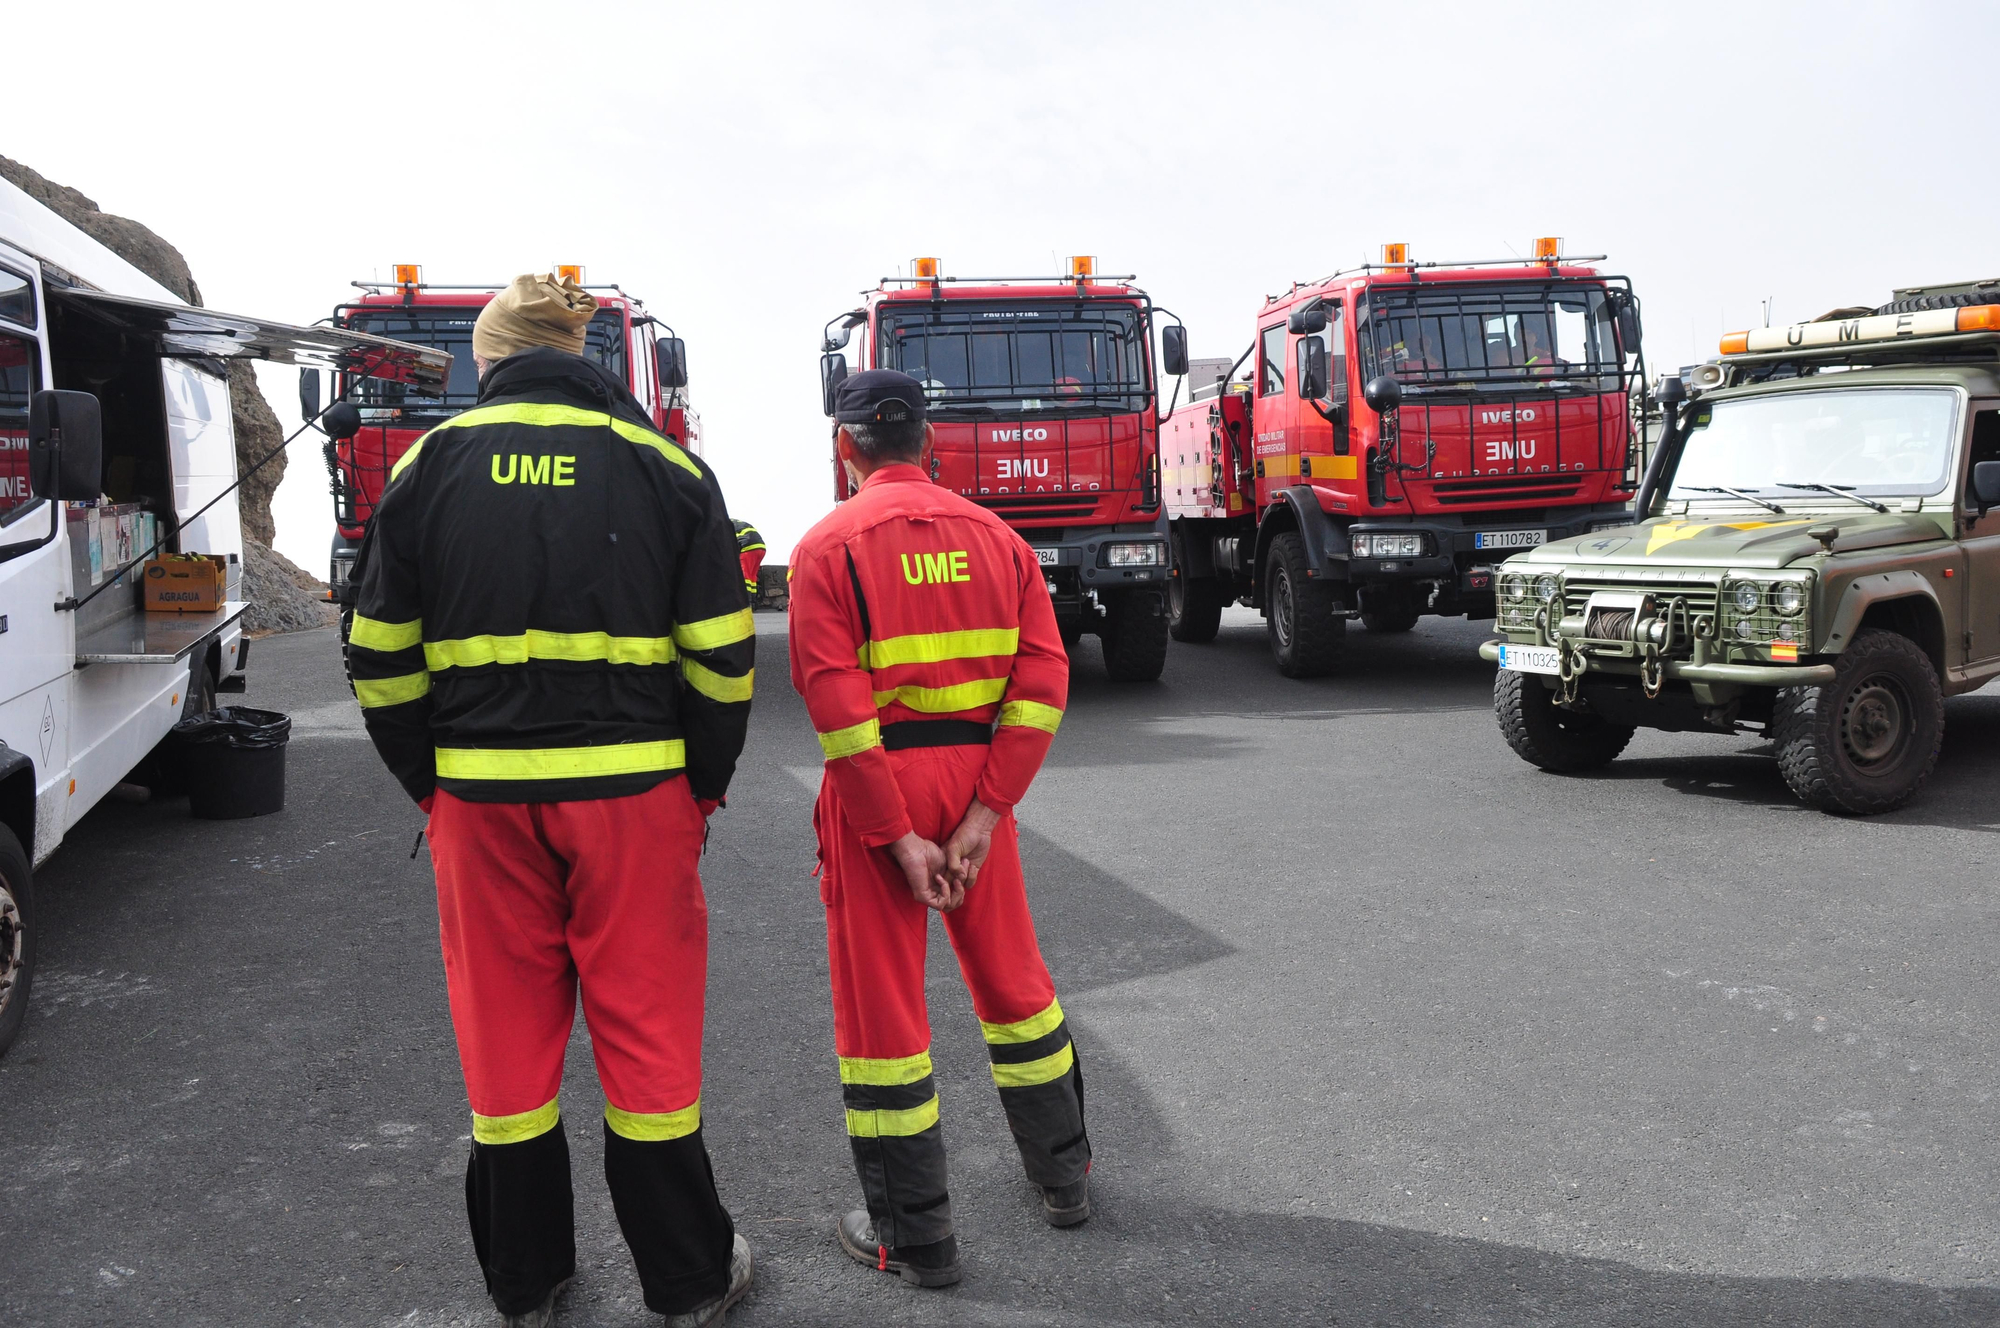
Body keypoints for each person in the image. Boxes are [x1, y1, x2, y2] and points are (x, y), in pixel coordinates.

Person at [345, 272, 756, 1328]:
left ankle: (525, 1284)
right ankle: (690, 1280)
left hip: (479, 806)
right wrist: (696, 790)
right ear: (585, 360)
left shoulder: (428, 466)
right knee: (649, 1041)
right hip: (634, 798)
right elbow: (720, 661)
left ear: (490, 359)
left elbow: (378, 658)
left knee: (506, 1051)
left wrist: (428, 783)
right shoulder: (666, 468)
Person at [787, 369, 1088, 1290]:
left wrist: (892, 832)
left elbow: (836, 706)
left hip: (879, 784)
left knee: (884, 1014)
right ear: (933, 446)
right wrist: (989, 811)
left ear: (846, 450)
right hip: (973, 785)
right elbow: (1042, 685)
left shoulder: (826, 547)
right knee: (1014, 982)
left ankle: (919, 1241)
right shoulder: (999, 540)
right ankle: (1064, 1178)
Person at [733, 517, 766, 598]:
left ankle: (745, 600)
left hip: (748, 549)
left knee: (745, 576)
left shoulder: (725, 525)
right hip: (761, 548)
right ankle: (753, 600)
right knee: (752, 577)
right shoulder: (738, 523)